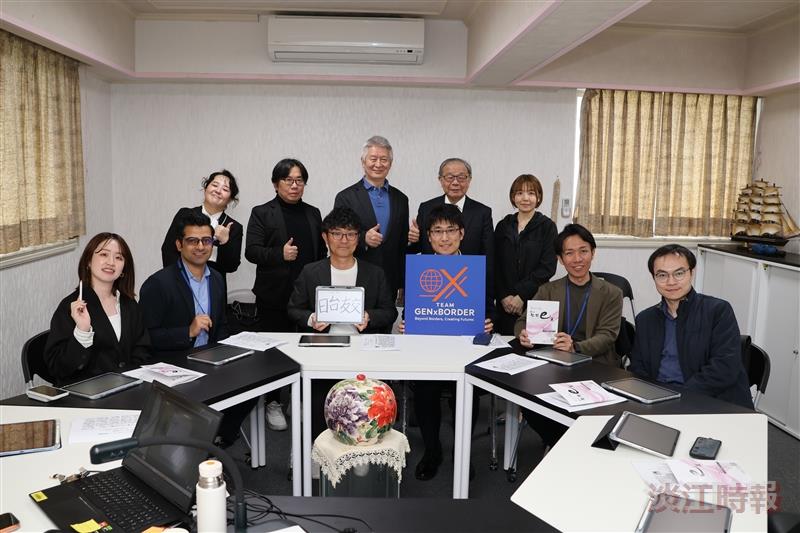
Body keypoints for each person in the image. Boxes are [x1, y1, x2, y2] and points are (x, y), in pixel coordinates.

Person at [287, 206, 398, 438]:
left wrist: (370, 316)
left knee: (366, 410)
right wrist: (310, 318)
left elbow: (389, 312)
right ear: (325, 237)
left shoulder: (375, 273)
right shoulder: (310, 272)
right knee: (319, 402)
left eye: (350, 234)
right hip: (323, 347)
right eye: (337, 233)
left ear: (358, 238)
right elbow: (293, 309)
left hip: (364, 349)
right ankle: (316, 451)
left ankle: (363, 454)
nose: (344, 240)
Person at [142, 211, 246, 444]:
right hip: (175, 366)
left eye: (206, 241)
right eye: (192, 241)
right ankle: (202, 444)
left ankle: (217, 439)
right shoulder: (158, 284)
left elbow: (221, 327)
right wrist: (187, 332)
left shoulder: (217, 279)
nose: (200, 247)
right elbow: (145, 339)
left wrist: (231, 352)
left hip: (210, 362)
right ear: (179, 244)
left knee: (250, 386)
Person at [405, 204, 492, 481]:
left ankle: (462, 452)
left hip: (465, 351)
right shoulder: (419, 265)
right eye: (437, 232)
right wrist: (406, 323)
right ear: (428, 236)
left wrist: (488, 324)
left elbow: (488, 311)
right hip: (428, 352)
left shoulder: (476, 267)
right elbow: (412, 310)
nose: (444, 238)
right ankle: (432, 450)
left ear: (462, 233)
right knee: (425, 390)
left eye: (450, 231)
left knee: (467, 389)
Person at [515, 223, 622, 447]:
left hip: (595, 366)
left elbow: (608, 335)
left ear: (593, 252)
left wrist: (576, 348)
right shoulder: (548, 289)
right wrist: (523, 334)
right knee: (528, 401)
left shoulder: (611, 293)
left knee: (596, 414)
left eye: (583, 251)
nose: (577, 259)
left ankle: (572, 445)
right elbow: (522, 321)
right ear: (560, 259)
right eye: (569, 253)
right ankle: (563, 444)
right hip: (553, 367)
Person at [245, 158, 326, 430]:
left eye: (299, 180)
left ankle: (299, 397)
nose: (294, 185)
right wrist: (279, 254)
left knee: (306, 348)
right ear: (275, 183)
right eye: (288, 180)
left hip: (307, 297)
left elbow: (321, 253)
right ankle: (273, 401)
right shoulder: (261, 212)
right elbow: (252, 251)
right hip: (274, 295)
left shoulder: (313, 213)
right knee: (274, 352)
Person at [630, 245, 753, 409]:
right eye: (662, 275)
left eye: (679, 273)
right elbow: (638, 368)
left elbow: (724, 368)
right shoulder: (645, 319)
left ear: (691, 273)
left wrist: (679, 398)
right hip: (659, 402)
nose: (671, 282)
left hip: (712, 402)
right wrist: (655, 398)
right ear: (654, 278)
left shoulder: (717, 311)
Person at [44, 233, 150, 385]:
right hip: (85, 397)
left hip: (127, 389)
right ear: (88, 261)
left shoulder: (129, 304)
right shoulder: (71, 307)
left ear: (124, 268)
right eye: (104, 254)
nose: (111, 262)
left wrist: (131, 379)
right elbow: (58, 368)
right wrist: (82, 331)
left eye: (119, 257)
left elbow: (142, 350)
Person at [334, 135, 409, 302]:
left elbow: (401, 245)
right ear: (363, 161)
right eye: (373, 158)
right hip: (355, 276)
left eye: (384, 159)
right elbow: (336, 236)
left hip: (390, 279)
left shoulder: (401, 199)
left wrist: (403, 282)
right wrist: (363, 238)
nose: (378, 164)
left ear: (390, 164)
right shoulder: (346, 197)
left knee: (386, 323)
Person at [494, 174, 558, 335]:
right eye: (519, 193)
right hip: (505, 303)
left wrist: (521, 296)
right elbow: (495, 264)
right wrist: (503, 296)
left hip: (536, 300)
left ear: (539, 197)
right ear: (513, 197)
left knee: (535, 348)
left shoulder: (547, 227)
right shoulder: (503, 225)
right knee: (503, 349)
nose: (525, 198)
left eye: (531, 193)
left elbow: (547, 267)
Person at [160, 169, 243, 287]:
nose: (218, 191)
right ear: (205, 189)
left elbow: (231, 266)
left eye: (225, 189)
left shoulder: (233, 226)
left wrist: (225, 242)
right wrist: (178, 279)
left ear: (230, 199)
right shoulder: (185, 214)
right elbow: (168, 250)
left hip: (213, 285)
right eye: (214, 185)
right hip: (180, 280)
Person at [407, 157, 493, 259]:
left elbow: (488, 254)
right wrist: (412, 240)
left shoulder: (482, 212)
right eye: (449, 177)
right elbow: (416, 249)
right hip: (433, 271)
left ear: (469, 180)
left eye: (461, 177)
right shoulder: (426, 208)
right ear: (440, 180)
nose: (455, 182)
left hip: (468, 273)